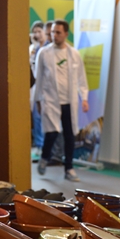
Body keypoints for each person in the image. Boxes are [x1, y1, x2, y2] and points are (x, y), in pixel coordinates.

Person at [34, 19, 89, 182]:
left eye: (58, 32)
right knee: (51, 133)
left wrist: (84, 98)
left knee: (70, 134)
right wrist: (38, 100)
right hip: (50, 100)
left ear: (66, 34)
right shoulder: (44, 53)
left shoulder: (74, 54)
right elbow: (39, 79)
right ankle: (44, 158)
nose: (54, 35)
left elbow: (81, 77)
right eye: (52, 32)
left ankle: (69, 168)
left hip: (69, 101)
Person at [29, 21, 46, 154]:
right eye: (34, 32)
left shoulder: (48, 48)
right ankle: (40, 145)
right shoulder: (34, 48)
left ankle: (45, 147)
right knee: (36, 116)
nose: (37, 34)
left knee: (42, 117)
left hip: (46, 88)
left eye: (39, 31)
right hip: (35, 87)